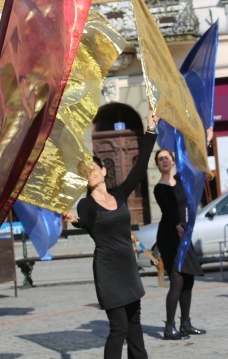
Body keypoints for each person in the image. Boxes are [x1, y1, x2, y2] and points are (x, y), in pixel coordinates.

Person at [63, 110, 158, 359]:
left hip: (128, 267)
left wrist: (150, 130)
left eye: (93, 168)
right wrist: (75, 221)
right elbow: (88, 222)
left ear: (104, 170)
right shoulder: (87, 205)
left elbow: (139, 168)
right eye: (85, 172)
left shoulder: (119, 194)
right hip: (108, 270)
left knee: (135, 325)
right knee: (120, 328)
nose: (90, 172)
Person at [153, 148, 205, 341]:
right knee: (177, 281)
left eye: (167, 157)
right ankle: (169, 327)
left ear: (173, 160)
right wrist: (177, 225)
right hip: (170, 235)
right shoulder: (159, 188)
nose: (164, 161)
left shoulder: (182, 181)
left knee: (188, 280)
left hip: (183, 232)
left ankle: (185, 323)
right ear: (158, 165)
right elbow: (169, 211)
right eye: (160, 159)